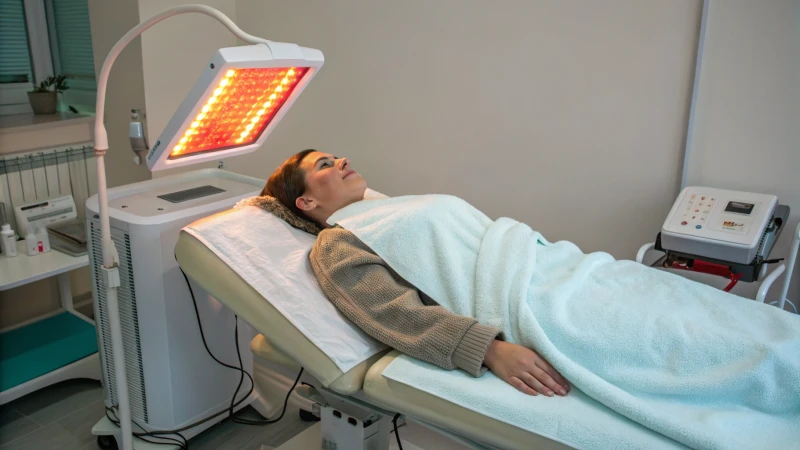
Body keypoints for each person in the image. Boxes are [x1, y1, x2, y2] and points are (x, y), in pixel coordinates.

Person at [262, 149, 570, 398]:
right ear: (307, 201)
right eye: (325, 164)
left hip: (553, 267)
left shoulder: (385, 211)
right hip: (531, 301)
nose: (344, 160)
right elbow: (394, 313)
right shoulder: (336, 243)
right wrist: (489, 349)